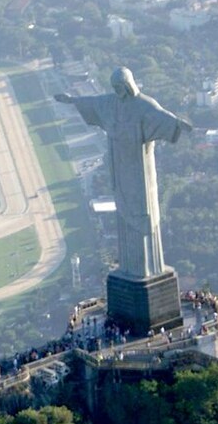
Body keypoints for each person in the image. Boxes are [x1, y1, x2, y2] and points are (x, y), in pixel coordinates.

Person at [55, 67, 192, 279]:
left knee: (142, 211)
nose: (118, 90)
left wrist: (177, 123)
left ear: (130, 85)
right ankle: (130, 267)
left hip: (139, 171)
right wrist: (72, 100)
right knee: (124, 209)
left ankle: (148, 268)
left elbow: (161, 117)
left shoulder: (143, 105)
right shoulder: (110, 103)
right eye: (115, 87)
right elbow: (92, 102)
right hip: (119, 167)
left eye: (121, 86)